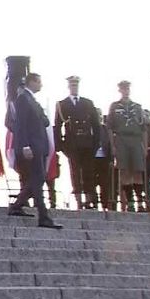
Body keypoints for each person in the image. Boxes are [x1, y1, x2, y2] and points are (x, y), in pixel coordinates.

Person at [7, 73, 62, 229]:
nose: (41, 85)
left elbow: (45, 121)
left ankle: (17, 206)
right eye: (39, 82)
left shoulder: (33, 100)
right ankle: (43, 216)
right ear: (31, 82)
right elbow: (20, 125)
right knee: (37, 180)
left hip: (39, 145)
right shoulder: (23, 99)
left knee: (38, 179)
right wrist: (24, 145)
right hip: (32, 146)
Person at [53, 75, 99, 210]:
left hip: (87, 143)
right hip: (72, 144)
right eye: (72, 85)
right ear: (69, 87)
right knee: (75, 173)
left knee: (88, 172)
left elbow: (96, 125)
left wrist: (96, 143)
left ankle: (90, 200)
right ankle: (79, 200)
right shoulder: (62, 104)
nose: (74, 87)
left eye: (76, 85)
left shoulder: (88, 103)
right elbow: (57, 125)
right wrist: (60, 145)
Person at [106, 80, 148, 212]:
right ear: (120, 90)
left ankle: (140, 201)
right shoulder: (114, 106)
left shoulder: (137, 107)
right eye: (123, 89)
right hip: (121, 139)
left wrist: (145, 146)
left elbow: (144, 128)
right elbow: (109, 128)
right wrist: (113, 145)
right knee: (124, 171)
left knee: (137, 171)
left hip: (135, 139)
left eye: (127, 89)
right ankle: (130, 202)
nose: (125, 91)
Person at [90, 108, 114, 211]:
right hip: (92, 158)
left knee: (104, 182)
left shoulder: (106, 129)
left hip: (104, 158)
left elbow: (110, 144)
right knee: (92, 181)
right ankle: (93, 202)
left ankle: (105, 204)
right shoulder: (89, 128)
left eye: (100, 114)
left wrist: (111, 159)